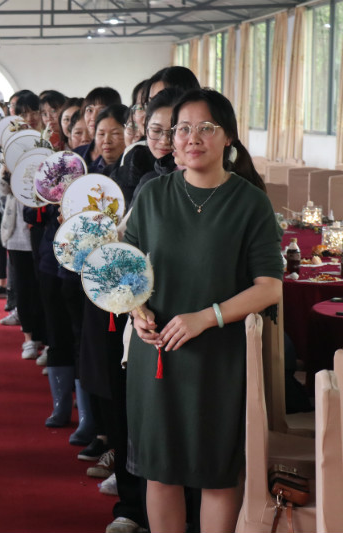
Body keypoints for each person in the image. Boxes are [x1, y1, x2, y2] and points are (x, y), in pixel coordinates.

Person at [125, 89, 282, 533]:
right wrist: (137, 310)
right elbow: (126, 269)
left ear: (228, 137)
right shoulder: (152, 195)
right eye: (183, 129)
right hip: (157, 356)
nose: (192, 138)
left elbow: (269, 288)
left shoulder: (249, 202)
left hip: (219, 357)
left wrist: (205, 317)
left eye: (206, 127)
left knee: (216, 470)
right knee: (161, 471)